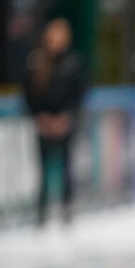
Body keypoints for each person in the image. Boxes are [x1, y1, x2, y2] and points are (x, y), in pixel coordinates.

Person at [22, 18, 85, 226]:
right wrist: (40, 117)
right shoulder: (36, 63)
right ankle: (42, 211)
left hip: (65, 125)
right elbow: (28, 96)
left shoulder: (73, 64)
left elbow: (79, 96)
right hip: (44, 125)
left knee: (67, 167)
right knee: (42, 170)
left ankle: (67, 209)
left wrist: (66, 118)